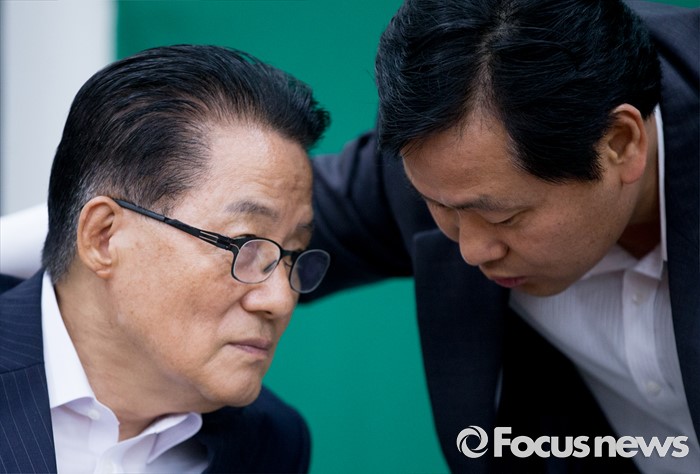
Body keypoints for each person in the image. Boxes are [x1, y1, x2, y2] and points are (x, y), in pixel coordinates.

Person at [307, 0, 698, 472]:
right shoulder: (442, 163)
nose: (471, 251)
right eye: (441, 209)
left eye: (504, 218)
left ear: (620, 142)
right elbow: (251, 233)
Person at [0, 44, 330, 473]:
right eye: (244, 244)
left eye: (293, 254)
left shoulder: (272, 444)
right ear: (104, 237)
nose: (280, 300)